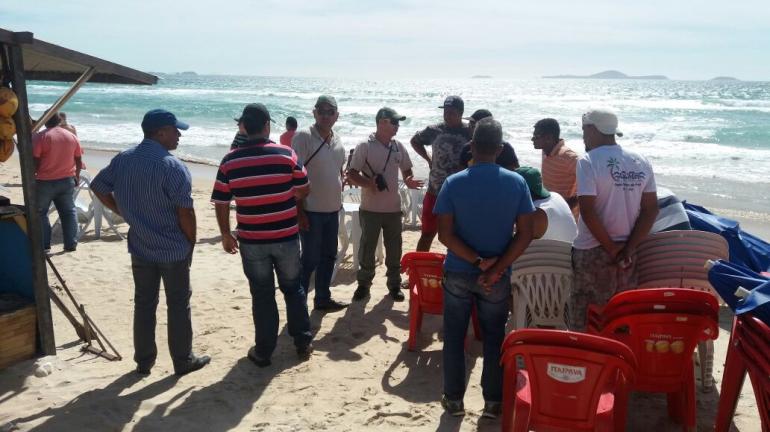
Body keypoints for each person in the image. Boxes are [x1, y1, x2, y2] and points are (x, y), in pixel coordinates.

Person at [90, 109, 210, 376]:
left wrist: (124, 211)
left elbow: (98, 185)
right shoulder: (172, 166)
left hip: (141, 245)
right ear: (160, 133)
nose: (179, 135)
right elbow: (185, 212)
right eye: (176, 130)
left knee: (144, 303)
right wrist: (191, 241)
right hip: (172, 247)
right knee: (178, 304)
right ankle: (183, 360)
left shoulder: (124, 159)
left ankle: (144, 361)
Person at [434, 118, 535, 418]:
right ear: (500, 148)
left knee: (454, 336)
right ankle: (492, 402)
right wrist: (496, 268)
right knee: (493, 337)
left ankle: (453, 400)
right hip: (498, 277)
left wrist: (478, 262)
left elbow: (445, 234)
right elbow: (526, 233)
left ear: (472, 146)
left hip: (459, 271)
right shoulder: (516, 182)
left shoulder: (454, 182)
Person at [212, 103, 313, 367]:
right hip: (286, 236)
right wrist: (287, 196)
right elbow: (304, 188)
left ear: (244, 126)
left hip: (252, 240)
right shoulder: (285, 154)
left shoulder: (230, 160)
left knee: (262, 294)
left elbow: (221, 201)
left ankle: (265, 351)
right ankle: (302, 342)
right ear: (267, 125)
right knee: (294, 289)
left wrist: (225, 234)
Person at [568, 108, 658, 331]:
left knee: (585, 315)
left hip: (592, 251)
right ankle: (617, 361)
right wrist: (627, 249)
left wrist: (611, 248)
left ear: (592, 129)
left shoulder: (588, 162)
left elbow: (588, 211)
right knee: (620, 316)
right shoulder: (640, 161)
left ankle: (586, 361)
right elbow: (651, 210)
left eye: (584, 130)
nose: (583, 137)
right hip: (627, 252)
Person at [347, 107, 424, 302]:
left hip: (393, 209)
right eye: (394, 122)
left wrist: (408, 180)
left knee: (394, 248)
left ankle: (394, 284)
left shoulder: (398, 146)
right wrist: (368, 184)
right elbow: (351, 173)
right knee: (367, 247)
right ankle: (364, 285)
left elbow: (407, 169)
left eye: (398, 123)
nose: (398, 126)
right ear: (382, 122)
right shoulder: (364, 145)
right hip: (370, 208)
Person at [291, 95, 348, 311]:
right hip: (311, 210)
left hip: (332, 210)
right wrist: (299, 211)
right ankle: (299, 305)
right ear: (314, 113)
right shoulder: (304, 136)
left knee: (328, 257)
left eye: (330, 111)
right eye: (321, 111)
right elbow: (293, 175)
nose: (325, 115)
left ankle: (322, 299)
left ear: (337, 115)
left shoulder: (338, 139)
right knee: (309, 260)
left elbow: (338, 170)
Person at [411, 96, 471, 251]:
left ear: (461, 112)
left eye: (452, 112)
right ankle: (420, 267)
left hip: (460, 194)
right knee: (427, 234)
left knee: (457, 236)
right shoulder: (434, 130)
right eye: (445, 112)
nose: (447, 115)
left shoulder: (470, 132)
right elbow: (415, 141)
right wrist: (428, 159)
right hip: (435, 191)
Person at [32, 112, 83, 253]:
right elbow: (78, 159)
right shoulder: (71, 135)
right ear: (59, 121)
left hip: (45, 181)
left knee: (41, 213)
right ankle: (71, 244)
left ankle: (44, 245)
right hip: (67, 180)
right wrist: (77, 176)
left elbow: (35, 160)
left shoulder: (41, 136)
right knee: (68, 212)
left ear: (45, 121)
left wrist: (32, 175)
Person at [531, 118, 580, 219]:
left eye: (536, 136)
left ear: (549, 138)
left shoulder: (568, 156)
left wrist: (571, 202)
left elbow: (589, 179)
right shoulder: (546, 151)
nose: (532, 139)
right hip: (552, 211)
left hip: (567, 216)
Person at [515, 166, 577, 242]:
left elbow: (517, 243)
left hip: (557, 253)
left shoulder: (534, 213)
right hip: (572, 251)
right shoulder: (556, 196)